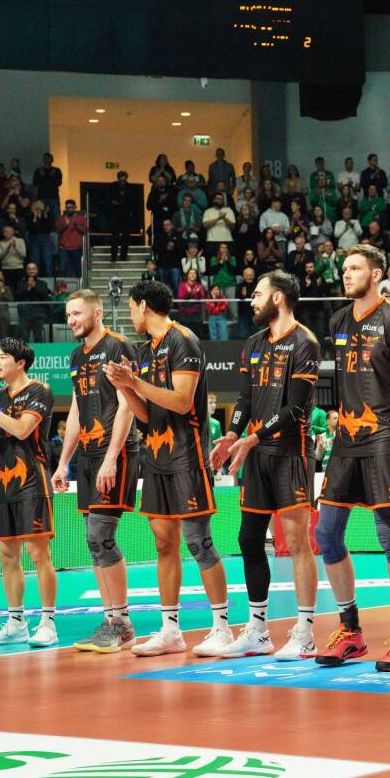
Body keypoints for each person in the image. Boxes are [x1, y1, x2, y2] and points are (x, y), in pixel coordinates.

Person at [310, 245, 390, 669]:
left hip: (384, 437)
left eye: (356, 268)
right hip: (345, 439)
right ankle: (350, 630)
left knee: (389, 536)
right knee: (326, 533)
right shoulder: (338, 320)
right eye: (344, 268)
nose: (346, 274)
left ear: (377, 274)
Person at [104, 281, 232, 657]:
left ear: (144, 306)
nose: (130, 315)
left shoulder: (183, 340)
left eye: (131, 308)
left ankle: (222, 627)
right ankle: (171, 630)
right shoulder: (144, 351)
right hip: (156, 458)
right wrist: (125, 388)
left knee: (198, 542)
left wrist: (135, 381)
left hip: (187, 457)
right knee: (163, 544)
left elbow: (181, 401)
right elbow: (146, 415)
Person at [207, 271, 322, 659]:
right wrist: (232, 434)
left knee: (297, 542)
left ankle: (305, 633)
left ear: (278, 297)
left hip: (291, 453)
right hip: (255, 455)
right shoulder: (253, 344)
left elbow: (295, 408)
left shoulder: (305, 343)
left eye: (258, 294)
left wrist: (252, 438)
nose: (251, 299)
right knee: (249, 539)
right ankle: (258, 631)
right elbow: (245, 399)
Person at [54, 290, 142, 654]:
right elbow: (76, 409)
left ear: (98, 313)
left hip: (115, 453)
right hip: (87, 456)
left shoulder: (119, 347)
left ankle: (123, 623)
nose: (72, 320)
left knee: (101, 535)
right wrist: (63, 461)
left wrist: (111, 458)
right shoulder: (77, 356)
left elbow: (128, 406)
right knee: (93, 543)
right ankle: (109, 620)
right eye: (68, 315)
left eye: (77, 313)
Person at [0, 339, 59, 646]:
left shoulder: (39, 391)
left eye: (2, 357)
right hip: (4, 484)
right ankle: (16, 623)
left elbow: (22, 430)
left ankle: (48, 623)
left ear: (20, 362)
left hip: (33, 481)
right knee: (7, 555)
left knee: (38, 554)